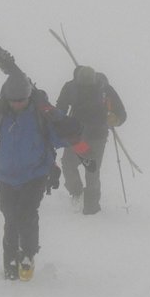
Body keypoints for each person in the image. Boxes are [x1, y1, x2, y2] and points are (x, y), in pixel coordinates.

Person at [0, 69, 74, 280]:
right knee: (10, 218)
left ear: (29, 96)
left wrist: (71, 131)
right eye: (13, 101)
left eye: (21, 100)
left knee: (26, 215)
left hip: (35, 173)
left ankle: (27, 255)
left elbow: (59, 136)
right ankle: (10, 260)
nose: (17, 104)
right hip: (4, 175)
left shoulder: (42, 112)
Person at [54, 65, 128, 215]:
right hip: (77, 135)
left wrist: (116, 119)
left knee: (89, 169)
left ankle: (91, 206)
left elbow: (121, 112)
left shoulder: (103, 89)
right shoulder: (73, 87)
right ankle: (78, 194)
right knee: (72, 165)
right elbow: (60, 108)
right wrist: (59, 123)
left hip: (94, 135)